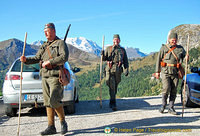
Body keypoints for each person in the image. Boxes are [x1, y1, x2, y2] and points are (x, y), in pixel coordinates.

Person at [20, 23, 69, 135]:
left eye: (47, 31)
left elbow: (64, 57)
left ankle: (63, 122)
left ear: (53, 31)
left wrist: (50, 62)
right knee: (47, 102)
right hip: (45, 76)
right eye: (44, 31)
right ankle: (51, 127)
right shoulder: (44, 45)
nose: (45, 33)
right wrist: (26, 60)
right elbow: (37, 58)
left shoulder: (60, 43)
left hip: (56, 76)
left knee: (54, 100)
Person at [155, 32, 188, 115]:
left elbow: (184, 56)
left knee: (174, 90)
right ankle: (163, 105)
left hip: (175, 72)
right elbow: (158, 60)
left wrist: (187, 57)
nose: (174, 41)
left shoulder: (180, 49)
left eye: (175, 40)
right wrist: (157, 72)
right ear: (169, 40)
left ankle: (171, 107)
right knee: (166, 88)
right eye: (172, 40)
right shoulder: (164, 48)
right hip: (165, 71)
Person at [102, 34, 129, 111]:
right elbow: (104, 59)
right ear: (113, 40)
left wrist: (126, 69)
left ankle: (111, 99)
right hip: (109, 70)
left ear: (119, 41)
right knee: (112, 85)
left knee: (115, 86)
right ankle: (113, 103)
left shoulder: (122, 50)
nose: (116, 41)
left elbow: (125, 61)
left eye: (117, 39)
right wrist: (102, 55)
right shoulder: (108, 48)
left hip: (118, 70)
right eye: (115, 39)